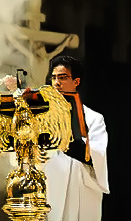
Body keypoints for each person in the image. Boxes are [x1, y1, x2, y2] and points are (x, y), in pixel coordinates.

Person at [42, 55, 109, 221]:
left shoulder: (94, 118)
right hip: (51, 185)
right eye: (54, 78)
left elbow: (97, 154)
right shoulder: (42, 116)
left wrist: (71, 142)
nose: (57, 83)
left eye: (63, 77)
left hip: (79, 186)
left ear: (76, 81)